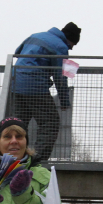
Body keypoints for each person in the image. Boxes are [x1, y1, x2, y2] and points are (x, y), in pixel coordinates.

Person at [11, 22, 80, 163]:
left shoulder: (35, 36)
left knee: (19, 124)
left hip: (16, 81)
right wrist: (64, 101)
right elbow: (60, 77)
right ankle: (37, 160)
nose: (69, 49)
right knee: (50, 122)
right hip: (34, 85)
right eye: (71, 46)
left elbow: (18, 52)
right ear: (69, 40)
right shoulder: (61, 46)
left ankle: (13, 157)